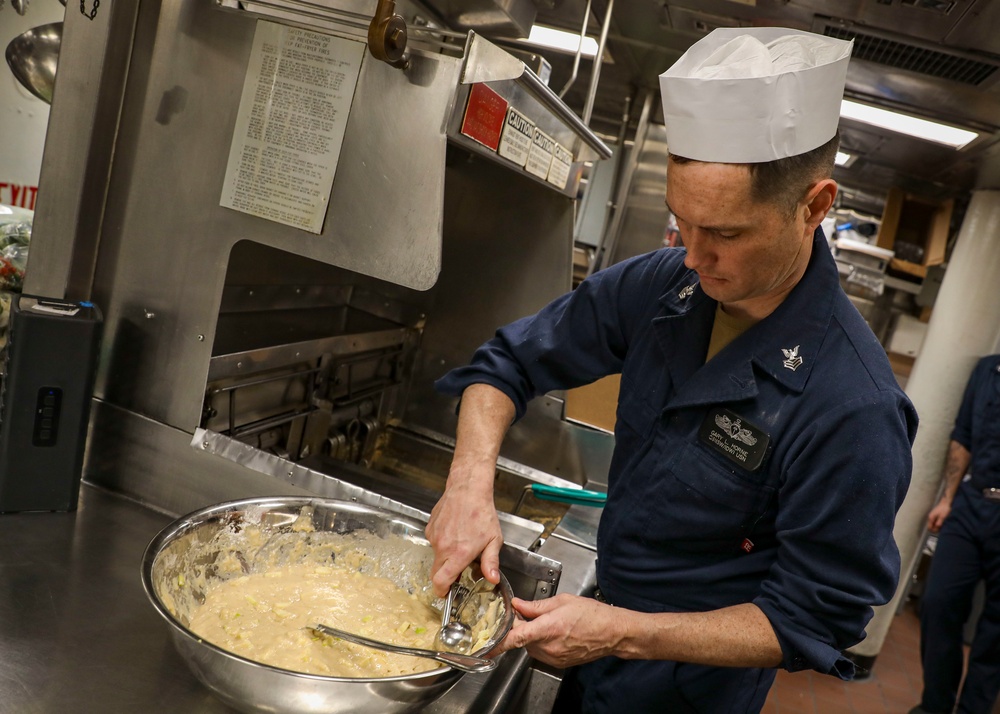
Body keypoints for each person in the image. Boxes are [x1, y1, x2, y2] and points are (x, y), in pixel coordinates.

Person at [426, 27, 918, 713]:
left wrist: (626, 634)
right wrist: (467, 488)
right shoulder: (667, 287)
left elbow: (808, 618)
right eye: (681, 224)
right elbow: (507, 365)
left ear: (815, 206)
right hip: (598, 636)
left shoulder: (854, 408)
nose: (692, 257)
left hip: (687, 688)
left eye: (725, 233)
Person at [910, 356, 1000, 714]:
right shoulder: (987, 370)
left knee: (996, 631)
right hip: (970, 503)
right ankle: (935, 705)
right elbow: (962, 436)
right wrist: (947, 499)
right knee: (937, 604)